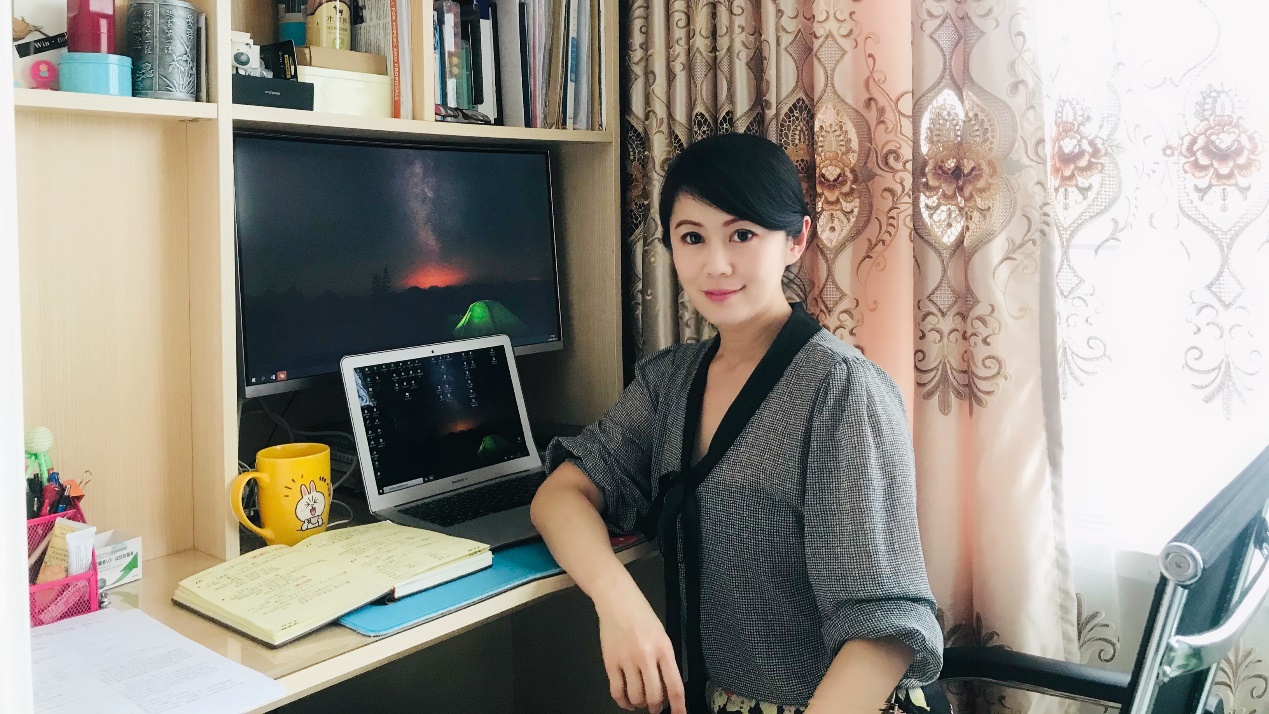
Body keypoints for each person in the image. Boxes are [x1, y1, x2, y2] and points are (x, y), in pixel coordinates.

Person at [529, 133, 943, 714]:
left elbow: (883, 635)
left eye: (742, 235)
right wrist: (620, 605)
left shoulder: (842, 391)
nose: (716, 265)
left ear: (796, 240)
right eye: (692, 237)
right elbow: (561, 494)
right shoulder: (669, 382)